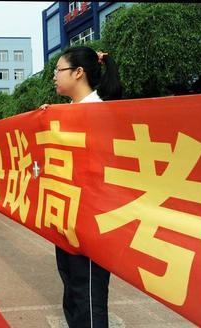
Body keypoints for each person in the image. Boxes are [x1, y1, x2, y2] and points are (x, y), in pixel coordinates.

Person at [40, 46, 121, 328]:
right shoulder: (68, 112)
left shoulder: (100, 112)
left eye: (58, 70)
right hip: (67, 215)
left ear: (78, 73)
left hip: (90, 220)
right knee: (73, 291)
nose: (54, 76)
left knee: (88, 296)